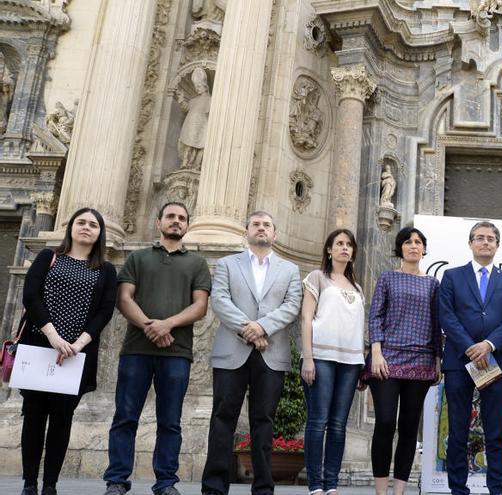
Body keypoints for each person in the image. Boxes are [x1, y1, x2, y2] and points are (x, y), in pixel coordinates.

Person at [103, 202, 212, 495]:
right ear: (158, 221)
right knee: (125, 416)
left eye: (182, 218)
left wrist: (167, 325)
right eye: (171, 217)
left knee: (170, 420)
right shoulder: (138, 258)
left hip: (177, 353)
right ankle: (117, 480)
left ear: (187, 225)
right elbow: (124, 298)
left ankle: (166, 483)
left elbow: (200, 306)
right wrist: (150, 327)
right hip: (136, 350)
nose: (176, 222)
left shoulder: (197, 264)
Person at [201, 211, 302, 495]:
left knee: (263, 421)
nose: (261, 228)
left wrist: (262, 328)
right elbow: (219, 300)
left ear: (275, 233)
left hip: (271, 353)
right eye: (256, 224)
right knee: (222, 418)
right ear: (247, 231)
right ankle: (214, 487)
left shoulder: (289, 269)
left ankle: (263, 487)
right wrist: (249, 330)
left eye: (266, 225)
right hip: (232, 350)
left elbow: (292, 306)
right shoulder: (226, 264)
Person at [18, 208, 117, 495]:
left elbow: (105, 311)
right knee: (34, 416)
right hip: (40, 345)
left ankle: (50, 485)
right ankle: (29, 483)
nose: (86, 228)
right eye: (81, 222)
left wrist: (77, 344)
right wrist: (53, 336)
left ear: (100, 232)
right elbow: (31, 296)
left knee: (62, 419)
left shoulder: (106, 270)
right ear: (71, 227)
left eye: (93, 225)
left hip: (76, 353)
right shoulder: (48, 257)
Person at [439, 221, 502, 495]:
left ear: (497, 245)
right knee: (459, 430)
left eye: (490, 239)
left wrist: (488, 345)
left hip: (495, 362)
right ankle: (457, 489)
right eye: (480, 238)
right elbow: (447, 316)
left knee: (496, 431)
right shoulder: (452, 276)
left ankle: (496, 488)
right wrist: (470, 347)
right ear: (470, 243)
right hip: (459, 363)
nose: (485, 242)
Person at [365, 226, 441, 495]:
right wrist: (376, 352)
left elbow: (436, 323)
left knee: (409, 427)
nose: (413, 246)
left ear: (423, 249)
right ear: (400, 248)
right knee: (385, 421)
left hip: (420, 361)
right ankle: (381, 491)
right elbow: (375, 315)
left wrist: (437, 360)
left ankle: (399, 491)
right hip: (387, 359)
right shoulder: (387, 278)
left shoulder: (433, 284)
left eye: (418, 242)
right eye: (408, 242)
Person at [300, 229, 365, 495]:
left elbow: (357, 326)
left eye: (349, 245)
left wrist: (362, 363)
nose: (344, 248)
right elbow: (306, 318)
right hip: (322, 356)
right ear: (329, 249)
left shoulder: (358, 287)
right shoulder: (317, 277)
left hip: (350, 361)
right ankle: (315, 484)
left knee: (339, 424)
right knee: (318, 421)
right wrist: (308, 357)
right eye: (339, 243)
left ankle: (331, 484)